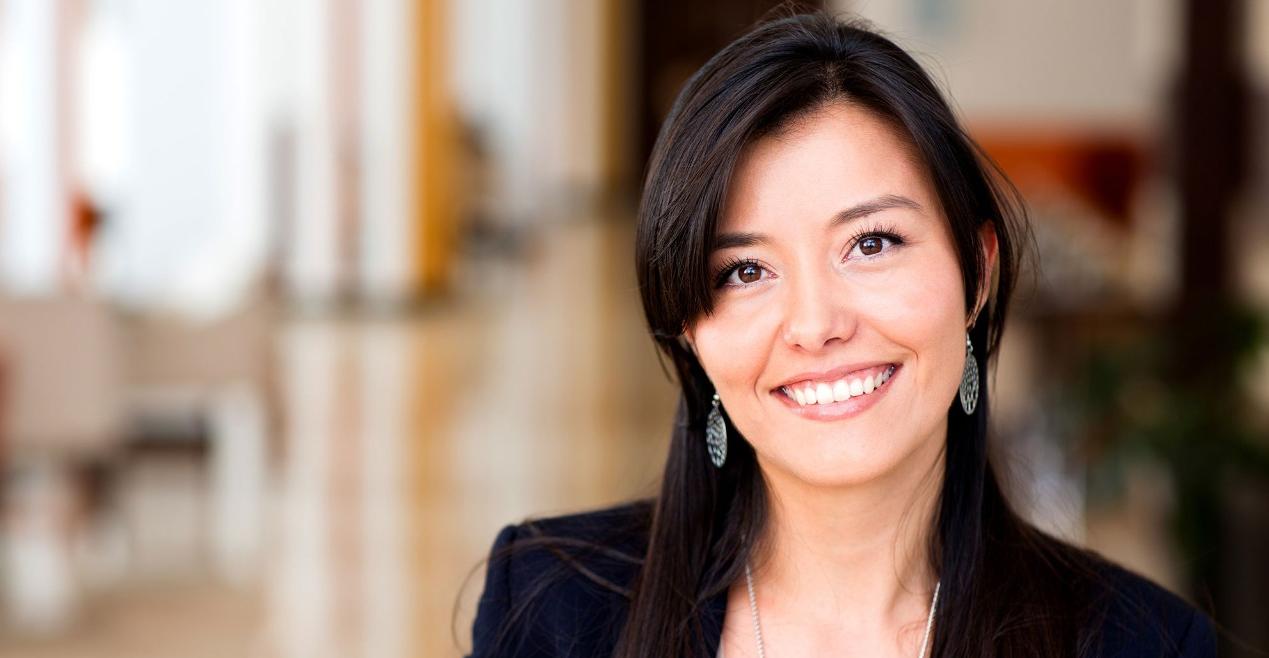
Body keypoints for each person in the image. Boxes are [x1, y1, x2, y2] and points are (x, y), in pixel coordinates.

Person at [466, 12, 1217, 658]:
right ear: (688, 330)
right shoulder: (552, 608)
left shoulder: (1141, 641)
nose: (816, 324)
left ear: (976, 274)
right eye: (743, 271)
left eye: (871, 243)